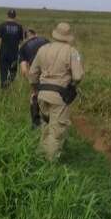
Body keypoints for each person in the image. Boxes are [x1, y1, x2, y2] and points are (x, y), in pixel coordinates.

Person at [28, 22, 84, 161]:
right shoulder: (72, 52)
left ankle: (40, 157)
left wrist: (35, 90)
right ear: (68, 36)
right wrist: (72, 85)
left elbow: (32, 74)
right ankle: (50, 164)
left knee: (46, 126)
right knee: (56, 132)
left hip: (41, 94)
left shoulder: (43, 49)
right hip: (59, 97)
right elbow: (78, 76)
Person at [19, 29, 50, 128]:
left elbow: (24, 69)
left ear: (25, 38)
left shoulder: (23, 47)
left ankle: (36, 122)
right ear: (36, 34)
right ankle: (50, 119)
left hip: (36, 71)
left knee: (34, 95)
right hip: (50, 71)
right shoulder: (46, 40)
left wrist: (30, 80)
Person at [0, 9, 24, 88]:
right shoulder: (19, 27)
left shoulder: (2, 25)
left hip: (3, 52)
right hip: (14, 53)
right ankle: (8, 83)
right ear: (15, 16)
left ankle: (3, 86)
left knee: (3, 71)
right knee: (13, 72)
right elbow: (21, 42)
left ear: (7, 16)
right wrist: (20, 53)